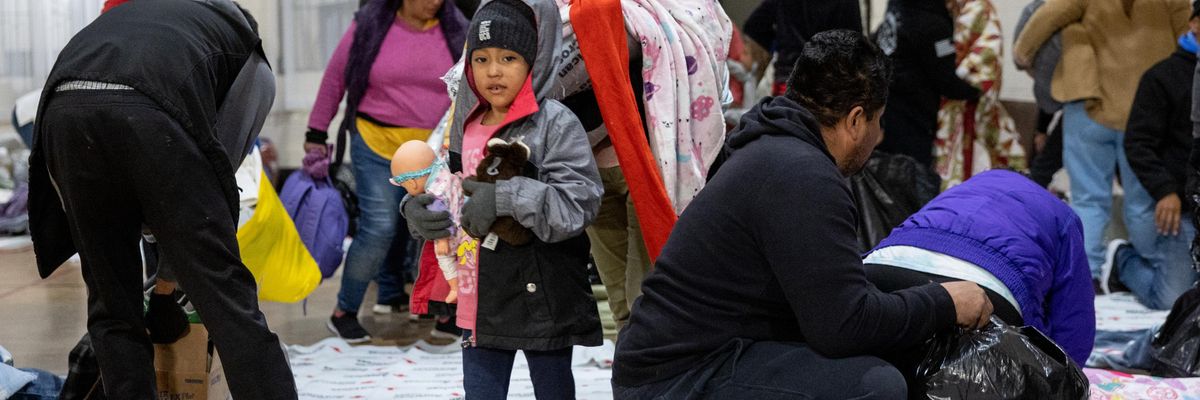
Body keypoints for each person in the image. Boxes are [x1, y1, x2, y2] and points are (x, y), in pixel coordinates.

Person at [612, 30, 993, 399]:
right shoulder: (803, 176)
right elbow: (843, 328)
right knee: (874, 385)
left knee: (880, 291)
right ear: (856, 119)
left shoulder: (768, 143)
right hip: (675, 378)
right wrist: (945, 303)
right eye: (879, 121)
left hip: (685, 355)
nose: (880, 136)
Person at [27, 1, 296, 398]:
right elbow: (210, 191)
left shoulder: (137, 22)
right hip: (146, 109)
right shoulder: (250, 63)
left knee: (112, 306)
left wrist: (164, 288)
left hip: (64, 108)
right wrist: (168, 289)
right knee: (226, 298)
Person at [401, 0, 603, 398]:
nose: (494, 70)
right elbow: (446, 186)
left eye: (509, 58)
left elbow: (579, 202)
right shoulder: (465, 122)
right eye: (481, 59)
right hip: (480, 296)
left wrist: (506, 198)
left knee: (553, 389)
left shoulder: (555, 123)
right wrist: (418, 210)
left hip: (542, 292)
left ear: (533, 62)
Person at [305, 0, 467, 342]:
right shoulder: (370, 24)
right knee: (379, 227)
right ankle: (344, 311)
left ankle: (446, 308)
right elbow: (336, 77)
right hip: (375, 142)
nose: (434, 2)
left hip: (432, 149)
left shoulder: (457, 29)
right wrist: (315, 134)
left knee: (441, 225)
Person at [1015, 0, 1192, 280]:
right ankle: (1153, 270)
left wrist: (1023, 56)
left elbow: (1043, 20)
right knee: (1143, 203)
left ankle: (1088, 278)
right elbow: (1188, 29)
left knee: (1088, 201)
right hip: (1149, 110)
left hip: (1090, 105)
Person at [864, 169, 1095, 367]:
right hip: (985, 284)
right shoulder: (1059, 212)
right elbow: (1074, 320)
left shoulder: (962, 189)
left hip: (886, 263)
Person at [1113, 4, 1200, 309]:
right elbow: (1138, 143)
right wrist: (1166, 191)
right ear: (1194, 23)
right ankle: (1121, 261)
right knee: (1172, 301)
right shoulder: (1161, 77)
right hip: (1182, 208)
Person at [873, 0, 981, 167]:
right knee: (913, 179)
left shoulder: (897, 7)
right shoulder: (933, 25)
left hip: (886, 105)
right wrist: (978, 90)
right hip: (913, 116)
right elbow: (946, 81)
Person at [933, 0, 1025, 189]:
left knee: (971, 165)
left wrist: (943, 71)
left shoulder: (978, 9)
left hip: (967, 103)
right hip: (957, 101)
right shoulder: (958, 8)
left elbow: (962, 50)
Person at [742, 0, 862, 96]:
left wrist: (780, 42)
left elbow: (754, 25)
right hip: (825, 89)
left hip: (787, 83)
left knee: (783, 125)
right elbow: (854, 47)